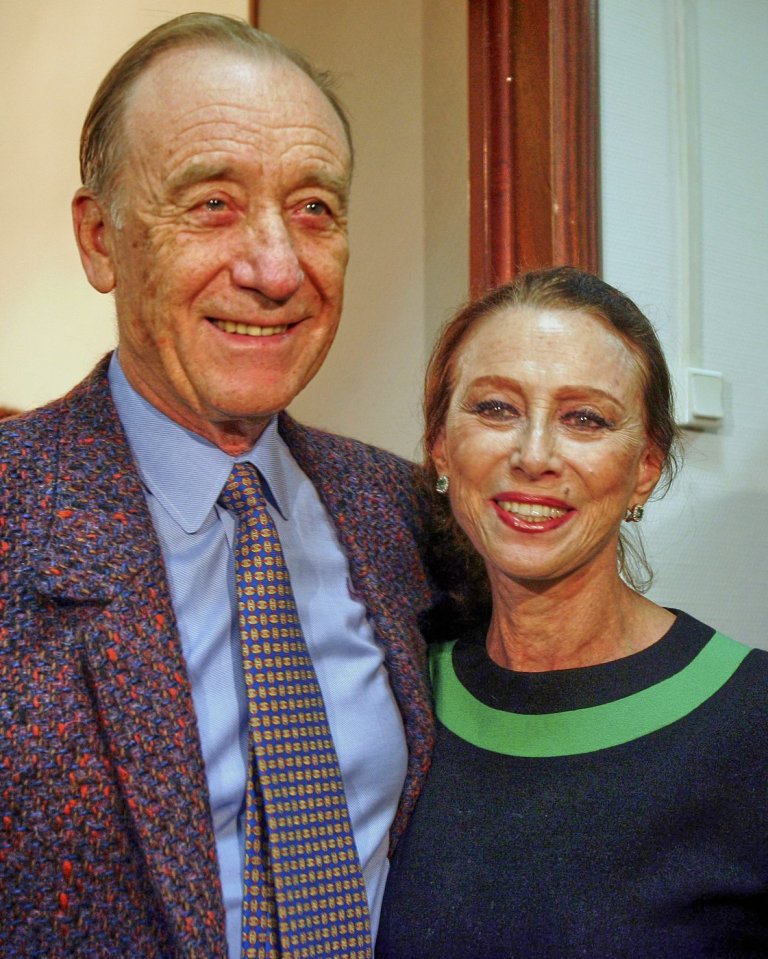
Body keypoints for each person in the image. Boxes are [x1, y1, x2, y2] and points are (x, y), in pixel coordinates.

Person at [0, 14, 451, 959]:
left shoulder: (406, 513)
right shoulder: (17, 506)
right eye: (212, 203)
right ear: (100, 240)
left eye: (315, 208)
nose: (276, 269)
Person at [376, 266, 768, 957]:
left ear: (645, 468)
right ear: (440, 446)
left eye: (585, 418)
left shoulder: (752, 720)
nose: (534, 456)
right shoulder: (398, 700)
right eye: (496, 408)